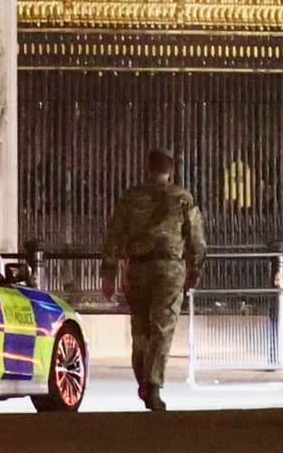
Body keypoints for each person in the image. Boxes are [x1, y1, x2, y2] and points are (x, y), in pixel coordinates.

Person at [101, 149, 206, 411]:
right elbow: (196, 239)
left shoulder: (130, 198)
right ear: (171, 172)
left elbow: (114, 236)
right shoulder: (183, 198)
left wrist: (109, 273)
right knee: (162, 328)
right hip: (170, 269)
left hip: (137, 268)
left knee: (140, 328)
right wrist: (195, 270)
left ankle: (143, 382)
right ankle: (154, 385)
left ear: (147, 169)